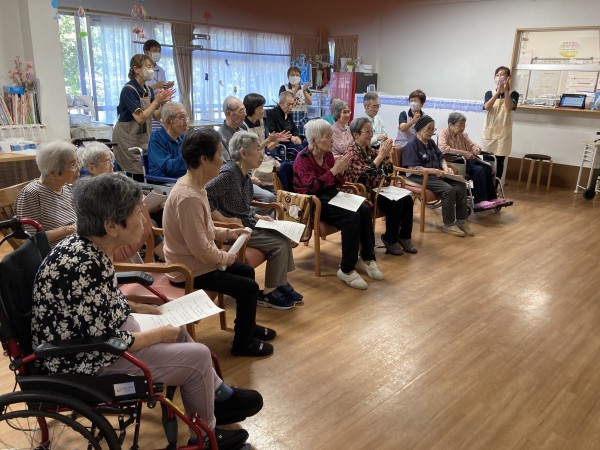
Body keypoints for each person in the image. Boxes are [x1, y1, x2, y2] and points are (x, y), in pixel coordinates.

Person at [30, 173, 260, 450]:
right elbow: (107, 341)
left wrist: (141, 308)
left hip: (95, 343)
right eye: (137, 214)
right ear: (111, 225)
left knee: (176, 329)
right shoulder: (83, 265)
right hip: (86, 361)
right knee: (197, 354)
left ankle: (217, 397)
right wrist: (159, 334)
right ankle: (205, 438)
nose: (144, 220)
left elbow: (96, 307)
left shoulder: (86, 247)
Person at [163, 128, 276, 356]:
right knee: (248, 287)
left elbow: (203, 230)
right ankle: (243, 344)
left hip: (197, 262)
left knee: (246, 272)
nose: (222, 161)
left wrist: (227, 234)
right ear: (204, 159)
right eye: (218, 155)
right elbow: (200, 249)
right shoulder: (188, 197)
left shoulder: (196, 188)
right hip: (188, 269)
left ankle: (247, 327)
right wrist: (226, 257)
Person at [206, 131, 302, 310]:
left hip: (247, 223)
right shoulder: (228, 174)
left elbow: (241, 206)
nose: (262, 154)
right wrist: (223, 219)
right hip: (235, 230)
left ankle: (280, 282)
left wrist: (258, 216)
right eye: (257, 149)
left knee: (284, 236)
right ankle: (269, 293)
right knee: (279, 244)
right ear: (243, 153)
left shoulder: (243, 174)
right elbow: (204, 195)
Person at [293, 119, 383, 290]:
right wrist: (334, 170)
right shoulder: (302, 159)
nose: (332, 140)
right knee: (351, 218)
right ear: (315, 140)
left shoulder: (327, 155)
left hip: (331, 194)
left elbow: (338, 183)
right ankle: (346, 269)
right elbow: (311, 187)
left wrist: (340, 171)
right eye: (328, 136)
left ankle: (368, 258)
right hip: (313, 201)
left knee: (364, 209)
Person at [345, 117, 417, 255]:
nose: (371, 135)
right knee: (395, 203)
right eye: (367, 132)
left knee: (407, 199)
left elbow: (388, 173)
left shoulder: (370, 150)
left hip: (378, 189)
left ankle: (404, 237)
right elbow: (364, 174)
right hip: (362, 192)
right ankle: (390, 239)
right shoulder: (351, 152)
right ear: (356, 134)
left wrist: (387, 157)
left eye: (372, 131)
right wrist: (380, 157)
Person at [402, 115, 473, 237]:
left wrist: (445, 167)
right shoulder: (411, 145)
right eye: (428, 129)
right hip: (418, 177)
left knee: (461, 185)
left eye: (433, 129)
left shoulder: (430, 142)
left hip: (435, 175)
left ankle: (461, 220)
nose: (431, 132)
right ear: (419, 129)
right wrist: (434, 171)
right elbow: (413, 168)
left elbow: (441, 157)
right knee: (448, 189)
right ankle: (448, 224)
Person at [112, 54, 175, 179]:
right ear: (136, 69)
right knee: (134, 172)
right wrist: (156, 101)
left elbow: (156, 116)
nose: (151, 70)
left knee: (145, 170)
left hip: (142, 137)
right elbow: (140, 118)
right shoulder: (129, 90)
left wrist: (163, 102)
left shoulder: (148, 90)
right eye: (148, 67)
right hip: (127, 137)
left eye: (152, 67)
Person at [439, 112, 509, 209]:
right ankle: (480, 201)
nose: (462, 128)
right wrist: (464, 153)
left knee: (487, 167)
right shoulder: (444, 132)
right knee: (479, 170)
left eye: (464, 125)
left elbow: (472, 145)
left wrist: (477, 148)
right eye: (460, 125)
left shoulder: (462, 135)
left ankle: (492, 198)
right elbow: (443, 149)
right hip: (455, 162)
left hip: (466, 161)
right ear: (451, 125)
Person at [15, 141, 79, 247]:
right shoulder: (31, 194)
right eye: (73, 165)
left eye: (77, 162)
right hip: (55, 252)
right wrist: (68, 230)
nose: (78, 168)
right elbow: (29, 240)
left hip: (75, 243)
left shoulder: (66, 187)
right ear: (53, 172)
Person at [219, 96, 276, 207]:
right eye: (241, 111)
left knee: (276, 189)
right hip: (233, 181)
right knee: (269, 198)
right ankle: (247, 215)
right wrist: (249, 178)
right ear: (229, 113)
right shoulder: (220, 137)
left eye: (245, 110)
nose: (245, 114)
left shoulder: (243, 132)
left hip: (249, 174)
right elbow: (226, 166)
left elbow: (255, 154)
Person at [240, 93, 290, 187]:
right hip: (251, 163)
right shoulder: (243, 126)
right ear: (252, 108)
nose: (263, 111)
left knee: (283, 169)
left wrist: (277, 140)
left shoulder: (261, 121)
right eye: (261, 108)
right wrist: (268, 140)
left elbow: (269, 148)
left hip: (263, 157)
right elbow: (250, 151)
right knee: (278, 174)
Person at [481, 66, 520, 182]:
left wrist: (505, 91)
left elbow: (509, 107)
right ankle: (486, 184)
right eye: (497, 75)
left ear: (508, 78)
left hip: (503, 133)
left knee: (499, 161)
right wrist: (497, 93)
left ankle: (495, 186)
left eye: (502, 75)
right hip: (490, 132)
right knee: (487, 160)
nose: (499, 77)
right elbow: (487, 107)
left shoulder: (514, 94)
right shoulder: (489, 93)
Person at [147, 101, 188, 178]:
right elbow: (168, 168)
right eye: (181, 118)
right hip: (164, 181)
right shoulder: (156, 139)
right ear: (168, 122)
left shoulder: (181, 137)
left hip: (181, 178)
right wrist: (189, 154)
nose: (185, 123)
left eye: (186, 118)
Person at [143, 39, 175, 132]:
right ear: (146, 52)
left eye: (159, 51)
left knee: (159, 131)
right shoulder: (141, 70)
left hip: (160, 106)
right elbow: (139, 90)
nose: (158, 53)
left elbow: (162, 89)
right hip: (146, 106)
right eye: (155, 51)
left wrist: (167, 86)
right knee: (148, 131)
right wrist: (156, 86)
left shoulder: (161, 70)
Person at [279, 66, 312, 135]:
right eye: (292, 75)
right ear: (288, 77)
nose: (295, 77)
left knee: (302, 136)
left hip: (302, 116)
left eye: (297, 75)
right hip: (289, 115)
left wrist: (304, 91)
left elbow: (310, 102)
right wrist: (295, 90)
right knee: (289, 136)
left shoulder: (304, 87)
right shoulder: (283, 87)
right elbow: (283, 101)